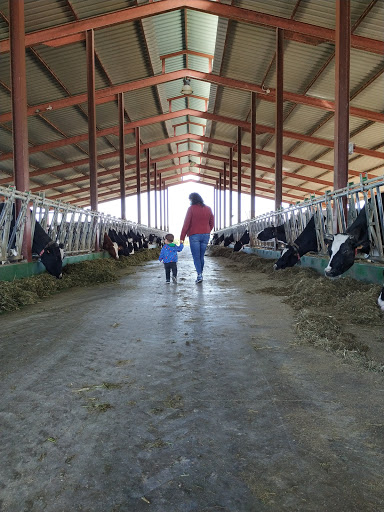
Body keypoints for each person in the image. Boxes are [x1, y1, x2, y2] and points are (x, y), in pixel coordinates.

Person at [180, 192, 214, 284]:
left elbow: (186, 224)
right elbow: (212, 223)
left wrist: (182, 238)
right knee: (201, 256)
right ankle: (200, 273)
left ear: (192, 200)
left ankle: (199, 274)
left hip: (194, 235)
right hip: (205, 235)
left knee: (196, 257)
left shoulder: (191, 209)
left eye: (190, 199)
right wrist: (207, 231)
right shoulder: (208, 209)